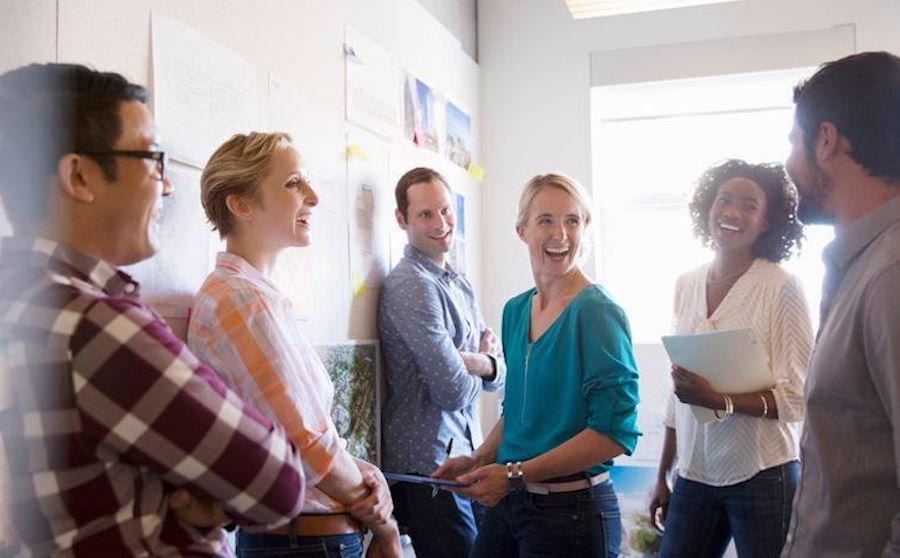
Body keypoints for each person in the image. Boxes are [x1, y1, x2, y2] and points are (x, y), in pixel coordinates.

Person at [0, 63, 306, 557]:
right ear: (79, 175)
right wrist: (194, 503)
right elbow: (279, 482)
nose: (166, 185)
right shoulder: (96, 325)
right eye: (153, 159)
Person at [187, 132, 402, 558]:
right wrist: (383, 521)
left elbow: (311, 439)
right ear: (241, 205)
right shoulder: (241, 300)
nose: (314, 197)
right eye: (293, 184)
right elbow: (308, 445)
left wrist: (366, 473)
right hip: (304, 542)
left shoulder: (256, 296)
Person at [435, 173, 640, 558]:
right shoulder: (515, 311)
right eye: (545, 220)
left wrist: (513, 474)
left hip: (571, 512)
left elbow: (615, 432)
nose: (560, 233)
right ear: (522, 230)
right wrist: (479, 459)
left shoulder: (597, 311)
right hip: (512, 506)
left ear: (585, 229)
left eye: (572, 221)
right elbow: (518, 412)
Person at [650, 160, 813, 558]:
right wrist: (662, 475)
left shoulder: (782, 288)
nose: (732, 212)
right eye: (724, 200)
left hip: (762, 473)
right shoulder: (686, 284)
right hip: (692, 473)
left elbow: (798, 398)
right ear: (707, 207)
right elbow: (678, 395)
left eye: (749, 205)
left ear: (767, 222)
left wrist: (719, 401)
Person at [780, 51, 900, 558]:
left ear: (826, 140)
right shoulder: (863, 264)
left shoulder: (890, 273)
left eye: (792, 142)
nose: (788, 163)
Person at [378, 167, 506, 558]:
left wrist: (477, 362)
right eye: (425, 214)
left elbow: (500, 373)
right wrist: (482, 365)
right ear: (402, 220)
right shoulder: (411, 284)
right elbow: (452, 391)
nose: (441, 223)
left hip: (464, 457)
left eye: (446, 211)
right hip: (427, 469)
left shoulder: (456, 279)